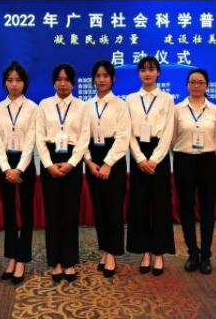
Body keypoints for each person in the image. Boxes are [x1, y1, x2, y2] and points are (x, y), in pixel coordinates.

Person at [35, 64, 90, 283]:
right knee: (52, 213)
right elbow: (39, 137)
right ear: (54, 82)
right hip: (49, 159)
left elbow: (84, 137)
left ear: (73, 83)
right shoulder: (44, 105)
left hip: (72, 161)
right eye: (59, 79)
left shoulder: (82, 106)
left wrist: (72, 163)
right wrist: (48, 164)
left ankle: (69, 260)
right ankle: (55, 261)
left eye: (67, 79)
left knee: (70, 212)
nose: (63, 83)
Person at [126, 56, 175, 276]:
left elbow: (168, 131)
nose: (147, 73)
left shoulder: (167, 99)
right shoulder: (130, 99)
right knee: (140, 205)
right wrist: (139, 158)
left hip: (159, 156)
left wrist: (154, 159)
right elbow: (127, 131)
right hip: (138, 153)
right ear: (138, 74)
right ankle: (145, 251)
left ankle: (159, 253)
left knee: (160, 205)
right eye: (143, 70)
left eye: (151, 69)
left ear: (158, 73)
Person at [172, 68, 216, 275]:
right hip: (183, 160)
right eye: (192, 82)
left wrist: (204, 150)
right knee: (186, 209)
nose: (196, 85)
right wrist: (184, 151)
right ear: (187, 85)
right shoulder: (177, 109)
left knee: (207, 210)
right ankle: (192, 253)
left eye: (200, 82)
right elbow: (172, 138)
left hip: (207, 161)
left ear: (207, 85)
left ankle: (206, 255)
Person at [84, 60, 131, 278]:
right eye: (98, 76)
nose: (101, 79)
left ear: (113, 79)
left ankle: (112, 253)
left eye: (105, 76)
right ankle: (103, 249)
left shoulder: (121, 105)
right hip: (93, 158)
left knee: (114, 208)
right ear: (93, 79)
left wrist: (108, 163)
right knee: (99, 208)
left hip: (114, 160)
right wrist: (88, 161)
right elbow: (81, 136)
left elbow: (123, 137)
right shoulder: (86, 105)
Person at [0, 62, 37, 284]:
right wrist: (6, 168)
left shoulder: (32, 107)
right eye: (10, 80)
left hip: (25, 164)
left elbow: (31, 140)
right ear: (4, 83)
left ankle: (22, 259)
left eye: (18, 80)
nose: (14, 84)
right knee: (9, 212)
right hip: (4, 165)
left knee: (26, 212)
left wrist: (19, 168)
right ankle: (12, 256)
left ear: (24, 83)